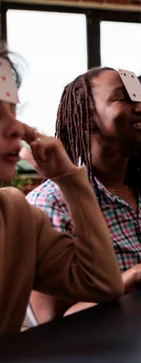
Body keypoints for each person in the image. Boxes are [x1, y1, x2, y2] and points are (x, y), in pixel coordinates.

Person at [26, 67, 141, 323]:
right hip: (97, 358)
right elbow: (52, 324)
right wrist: (135, 276)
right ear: (86, 118)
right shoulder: (52, 202)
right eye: (123, 98)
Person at [0, 48, 123, 336]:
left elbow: (102, 283)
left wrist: (69, 179)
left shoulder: (17, 216)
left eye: (13, 110)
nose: (16, 128)